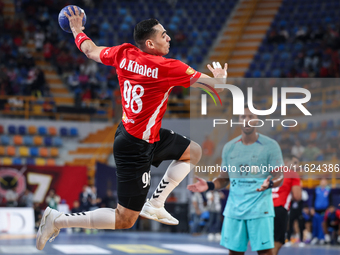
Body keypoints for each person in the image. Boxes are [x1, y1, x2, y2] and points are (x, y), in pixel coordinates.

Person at [36, 6, 227, 250]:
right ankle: (57, 220)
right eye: (163, 35)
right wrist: (220, 78)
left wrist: (76, 30)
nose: (168, 37)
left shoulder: (124, 53)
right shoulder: (168, 68)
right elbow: (215, 87)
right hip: (135, 148)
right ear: (150, 43)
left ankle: (156, 204)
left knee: (194, 151)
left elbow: (89, 50)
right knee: (125, 219)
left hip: (141, 134)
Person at [188, 105, 284, 255]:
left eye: (250, 117)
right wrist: (209, 185)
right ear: (238, 120)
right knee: (234, 253)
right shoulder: (229, 148)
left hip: (260, 209)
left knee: (265, 252)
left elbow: (280, 177)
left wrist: (270, 184)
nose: (246, 120)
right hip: (234, 210)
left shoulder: (270, 146)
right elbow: (224, 179)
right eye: (243, 117)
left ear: (257, 120)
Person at [272, 155, 302, 255]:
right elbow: (297, 196)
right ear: (287, 162)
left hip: (264, 208)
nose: (296, 166)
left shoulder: (271, 172)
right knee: (277, 242)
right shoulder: (292, 174)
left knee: (266, 242)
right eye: (294, 163)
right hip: (279, 208)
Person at [311, 178, 332, 245]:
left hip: (324, 210)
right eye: (322, 181)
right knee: (315, 224)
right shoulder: (316, 189)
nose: (323, 183)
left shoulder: (328, 190)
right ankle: (315, 237)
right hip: (316, 210)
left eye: (324, 181)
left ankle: (322, 238)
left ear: (326, 182)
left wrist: (329, 208)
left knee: (322, 224)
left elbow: (330, 199)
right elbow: (313, 199)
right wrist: (312, 208)